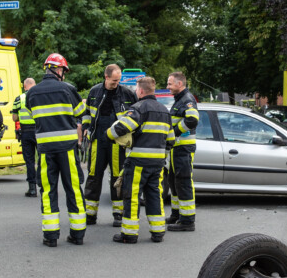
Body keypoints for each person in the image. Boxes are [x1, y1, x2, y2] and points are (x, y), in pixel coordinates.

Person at [26, 53, 87, 247]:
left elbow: (31, 114)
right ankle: (77, 235)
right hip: (68, 149)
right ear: (58, 70)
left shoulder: (32, 93)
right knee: (74, 189)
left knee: (48, 191)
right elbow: (79, 113)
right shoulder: (68, 89)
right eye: (63, 70)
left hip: (45, 150)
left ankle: (50, 237)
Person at [108, 76, 172, 243]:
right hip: (158, 163)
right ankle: (158, 233)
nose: (136, 92)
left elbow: (122, 127)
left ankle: (129, 234)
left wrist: (108, 134)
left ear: (141, 91)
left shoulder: (138, 108)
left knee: (132, 196)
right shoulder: (165, 111)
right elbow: (171, 140)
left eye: (137, 89)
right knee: (155, 196)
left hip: (138, 162)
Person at [81, 64, 137, 227]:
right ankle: (90, 214)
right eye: (114, 80)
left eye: (118, 80)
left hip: (117, 142)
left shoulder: (127, 93)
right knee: (93, 176)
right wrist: (85, 128)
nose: (116, 83)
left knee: (117, 178)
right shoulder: (95, 91)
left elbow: (135, 115)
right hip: (98, 141)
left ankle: (118, 215)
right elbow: (86, 114)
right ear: (106, 77)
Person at [165, 71, 199, 231]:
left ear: (179, 84)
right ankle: (176, 214)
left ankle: (187, 221)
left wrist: (174, 132)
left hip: (183, 148)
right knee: (174, 181)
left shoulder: (187, 99)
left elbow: (192, 120)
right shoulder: (179, 100)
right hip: (177, 148)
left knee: (183, 182)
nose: (167, 87)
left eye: (170, 84)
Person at [11, 77, 38, 198]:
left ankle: (32, 189)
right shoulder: (40, 96)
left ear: (25, 86)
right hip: (39, 130)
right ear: (34, 85)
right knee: (44, 159)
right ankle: (44, 185)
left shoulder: (19, 98)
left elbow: (14, 118)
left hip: (26, 132)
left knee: (30, 161)